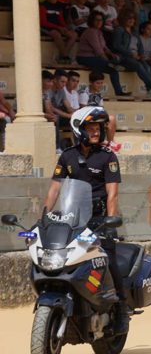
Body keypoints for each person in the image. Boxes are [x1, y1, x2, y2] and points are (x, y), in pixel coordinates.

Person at [43, 106, 129, 334]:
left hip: (99, 219)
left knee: (108, 259)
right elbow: (54, 190)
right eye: (90, 128)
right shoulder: (68, 155)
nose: (95, 132)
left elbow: (113, 194)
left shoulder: (107, 156)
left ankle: (120, 308)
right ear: (78, 129)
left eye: (98, 128)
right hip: (72, 217)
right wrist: (42, 219)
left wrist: (109, 224)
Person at [39, 0, 77, 64]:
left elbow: (61, 20)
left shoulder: (58, 6)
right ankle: (65, 56)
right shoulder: (43, 6)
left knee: (74, 35)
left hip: (58, 27)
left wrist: (65, 27)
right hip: (46, 28)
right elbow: (43, 22)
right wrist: (58, 27)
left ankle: (63, 55)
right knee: (56, 34)